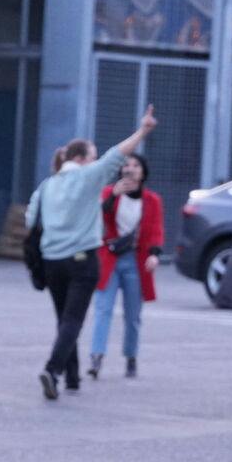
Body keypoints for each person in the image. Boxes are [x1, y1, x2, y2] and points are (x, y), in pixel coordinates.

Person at [25, 106, 157, 400]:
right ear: (82, 159)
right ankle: (52, 369)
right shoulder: (88, 177)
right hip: (83, 260)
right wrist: (144, 130)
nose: (96, 160)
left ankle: (71, 378)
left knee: (63, 319)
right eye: (93, 156)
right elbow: (117, 154)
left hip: (51, 261)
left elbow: (30, 220)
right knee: (74, 320)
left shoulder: (46, 186)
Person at [88, 154, 162, 380]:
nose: (130, 169)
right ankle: (96, 357)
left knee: (133, 314)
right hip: (110, 256)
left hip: (136, 260)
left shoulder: (152, 200)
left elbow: (157, 230)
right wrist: (113, 195)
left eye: (136, 166)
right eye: (126, 166)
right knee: (103, 309)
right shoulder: (109, 193)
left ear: (143, 172)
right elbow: (97, 217)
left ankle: (131, 356)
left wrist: (154, 255)